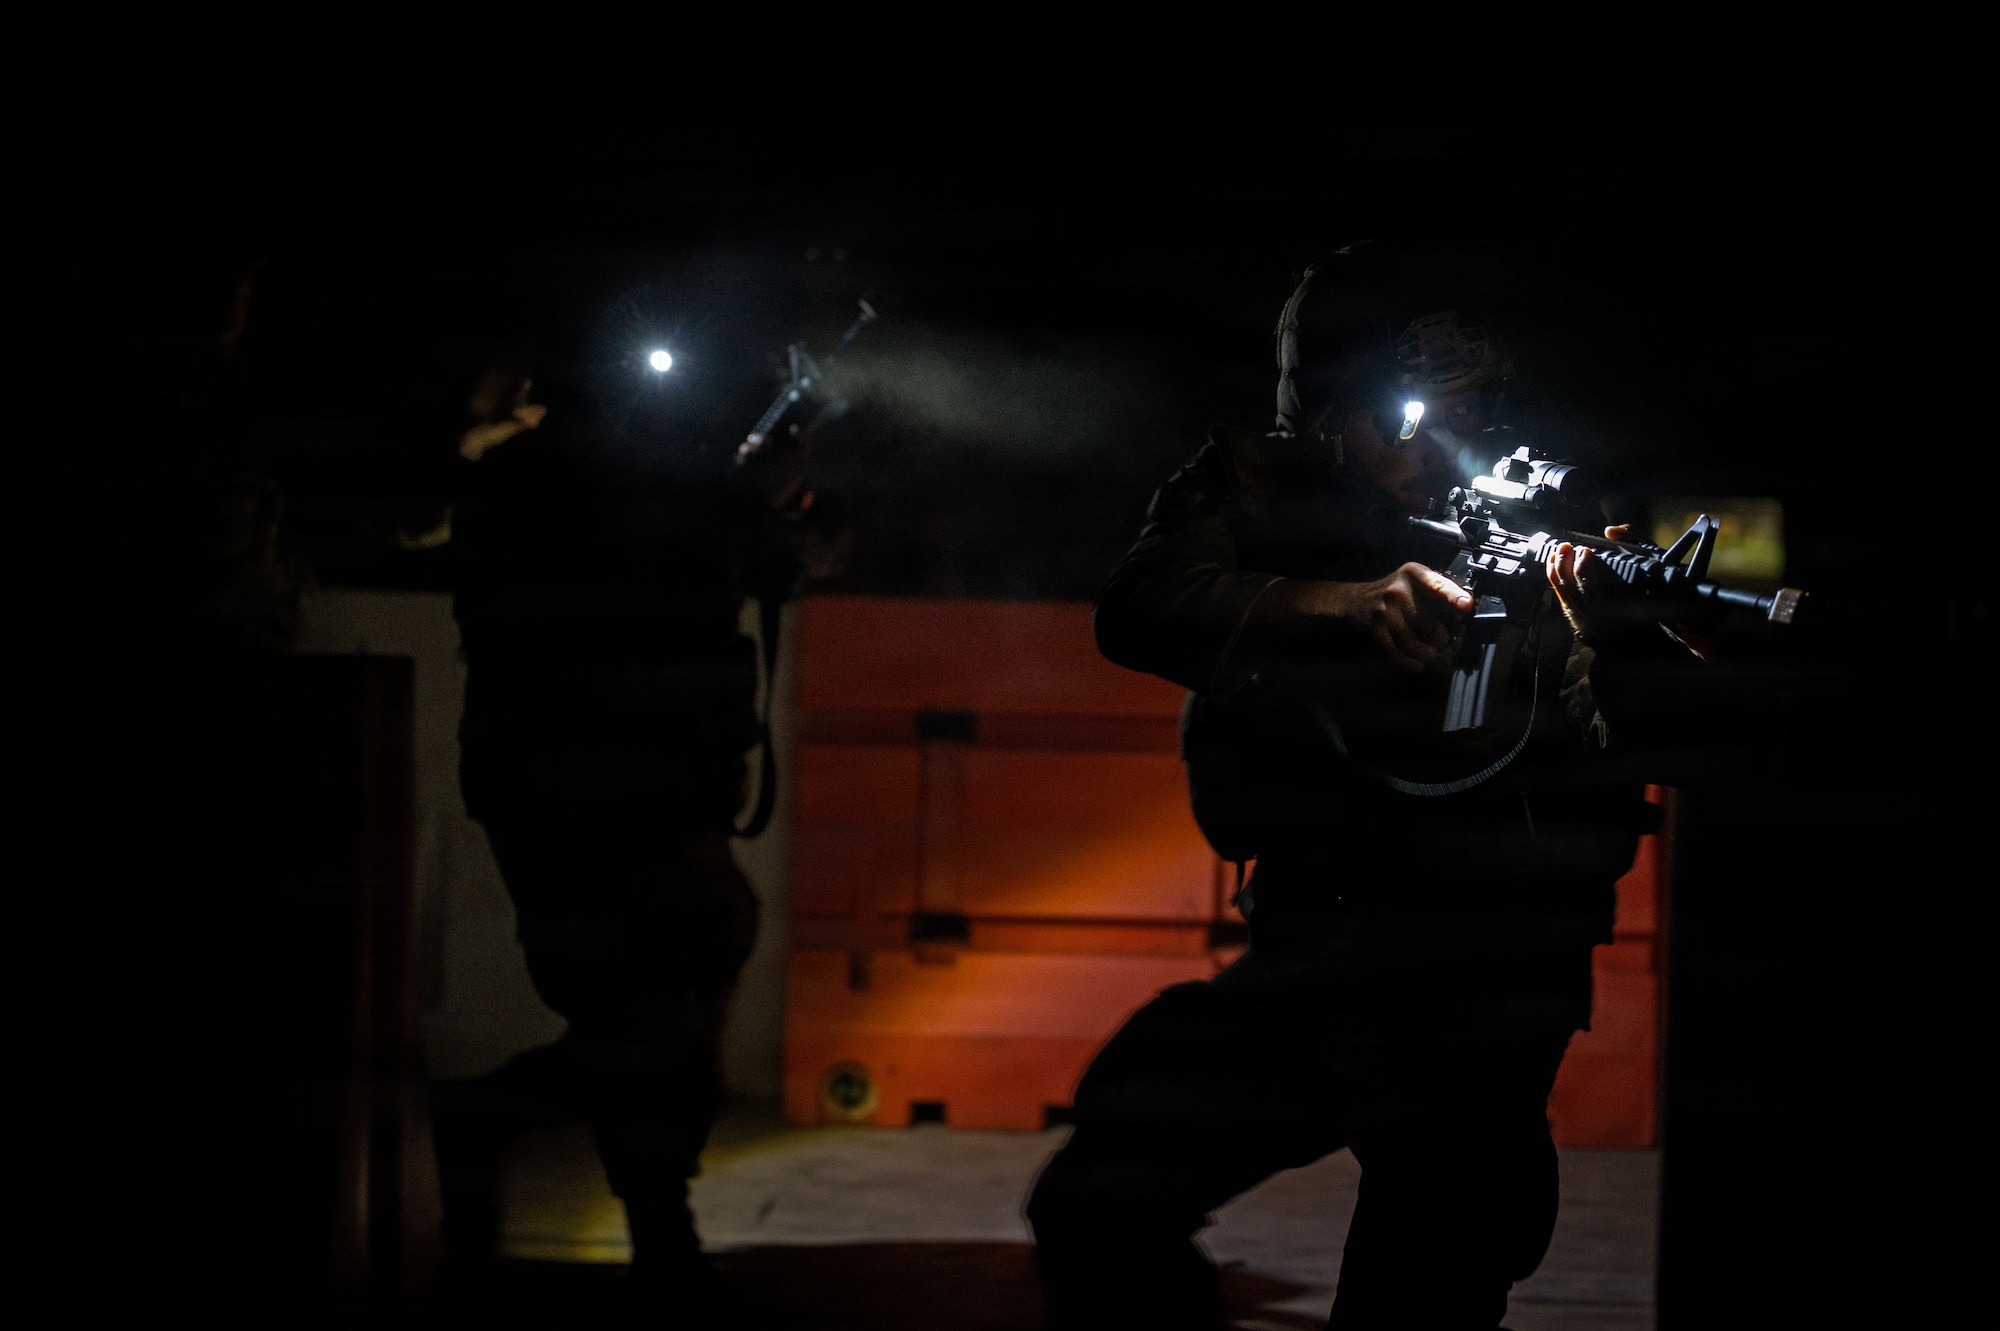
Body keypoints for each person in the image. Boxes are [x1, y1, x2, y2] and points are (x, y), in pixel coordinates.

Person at [1024, 240, 1705, 1330]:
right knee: (1097, 1201)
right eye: (1405, 416)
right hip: (1322, 965)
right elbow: (1139, 603)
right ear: (1326, 420)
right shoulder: (1258, 495)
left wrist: (1622, 636)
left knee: (1423, 1284)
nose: (1444, 442)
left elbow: (1675, 733)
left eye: (1470, 408)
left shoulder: (1545, 530)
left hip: (1488, 985)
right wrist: (1345, 602)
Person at [420, 256, 851, 1319]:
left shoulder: (637, 475)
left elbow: (775, 554)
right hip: (581, 782)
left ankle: (568, 1174)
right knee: (651, 1013)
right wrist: (742, 504)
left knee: (657, 1008)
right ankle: (632, 1213)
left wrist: (775, 507)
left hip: (640, 781)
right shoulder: (546, 477)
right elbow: (629, 576)